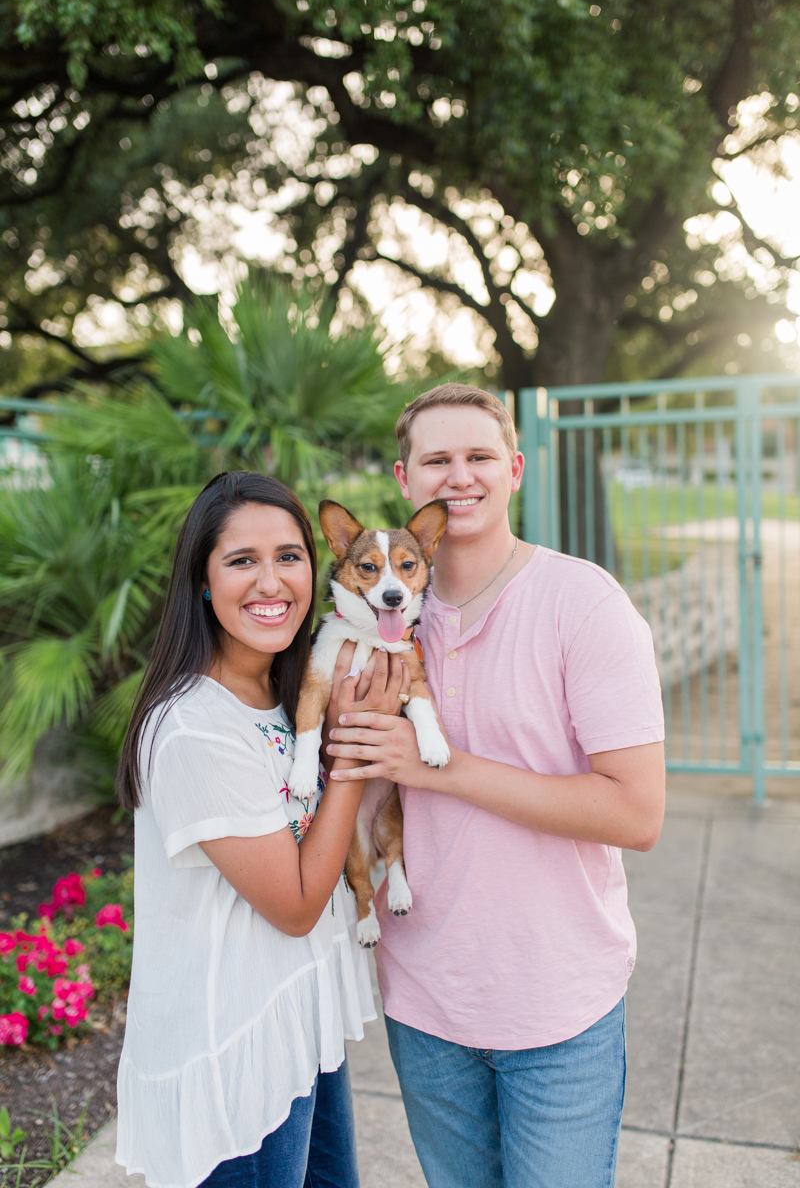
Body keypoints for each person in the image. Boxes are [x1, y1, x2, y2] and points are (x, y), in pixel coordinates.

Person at [326, 384, 666, 1188]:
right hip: (425, 1000)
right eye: (437, 460)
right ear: (406, 480)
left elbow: (637, 811)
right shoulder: (375, 621)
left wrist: (431, 764)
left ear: (514, 468)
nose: (460, 476)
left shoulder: (584, 604)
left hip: (559, 1007)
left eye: (479, 456)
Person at [114, 470, 410, 1188]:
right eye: (241, 560)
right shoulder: (192, 728)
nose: (271, 581)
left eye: (288, 556)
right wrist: (346, 749)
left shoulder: (286, 690)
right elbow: (297, 905)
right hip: (233, 1068)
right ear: (203, 583)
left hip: (295, 1032)